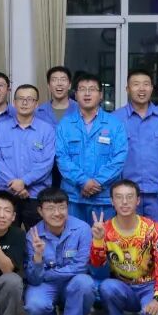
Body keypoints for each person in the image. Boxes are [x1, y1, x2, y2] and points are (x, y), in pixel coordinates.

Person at [90, 180, 158, 315]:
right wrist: (98, 240)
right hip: (123, 287)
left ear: (138, 200)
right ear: (112, 201)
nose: (124, 202)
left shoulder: (154, 229)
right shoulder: (105, 229)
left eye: (129, 197)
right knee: (106, 287)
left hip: (150, 286)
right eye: (119, 197)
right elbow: (97, 265)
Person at [23, 187, 95, 315]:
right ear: (40, 211)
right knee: (35, 305)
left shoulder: (82, 229)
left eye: (62, 207)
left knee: (85, 283)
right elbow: (34, 279)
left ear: (68, 208)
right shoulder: (33, 235)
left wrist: (48, 274)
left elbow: (81, 267)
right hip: (46, 285)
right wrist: (38, 256)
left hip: (72, 282)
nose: (57, 213)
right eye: (50, 208)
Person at [56, 72, 128, 225]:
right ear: (76, 95)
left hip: (104, 198)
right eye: (82, 89)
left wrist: (97, 182)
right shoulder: (65, 124)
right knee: (74, 238)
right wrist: (83, 181)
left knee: (104, 238)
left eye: (92, 89)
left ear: (100, 95)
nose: (87, 93)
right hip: (74, 198)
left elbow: (119, 158)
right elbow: (61, 158)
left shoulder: (115, 124)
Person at [0, 84, 55, 229]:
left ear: (36, 104)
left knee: (38, 237)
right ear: (14, 102)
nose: (25, 103)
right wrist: (17, 187)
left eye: (29, 99)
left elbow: (47, 163)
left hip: (36, 196)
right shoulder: (1, 129)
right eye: (21, 99)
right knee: (6, 238)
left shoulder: (47, 130)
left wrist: (24, 182)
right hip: (7, 196)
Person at [117, 69, 158, 222]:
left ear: (152, 88)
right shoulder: (115, 119)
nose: (141, 89)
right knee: (128, 235)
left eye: (146, 84)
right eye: (136, 84)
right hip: (126, 194)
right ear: (127, 89)